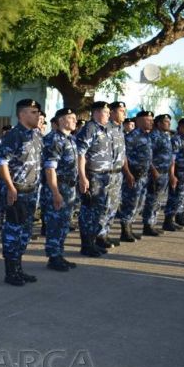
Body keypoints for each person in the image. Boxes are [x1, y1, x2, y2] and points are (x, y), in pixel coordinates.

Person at [0, 99, 43, 286]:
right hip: (17, 191)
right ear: (22, 114)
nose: (38, 115)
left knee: (25, 232)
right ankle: (10, 272)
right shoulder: (13, 136)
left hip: (32, 191)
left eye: (38, 112)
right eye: (33, 112)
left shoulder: (36, 135)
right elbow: (1, 163)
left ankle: (19, 269)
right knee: (13, 231)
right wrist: (10, 186)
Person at [40, 108, 79, 271]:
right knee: (55, 223)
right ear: (62, 120)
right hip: (58, 187)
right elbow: (50, 169)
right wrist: (56, 193)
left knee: (64, 223)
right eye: (71, 118)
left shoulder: (70, 139)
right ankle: (53, 257)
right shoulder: (54, 139)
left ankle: (59, 254)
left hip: (69, 188)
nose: (75, 121)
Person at [76, 101, 115, 257]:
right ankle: (86, 245)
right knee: (89, 211)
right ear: (97, 113)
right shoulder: (90, 129)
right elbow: (80, 155)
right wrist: (82, 177)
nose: (109, 115)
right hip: (93, 176)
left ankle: (92, 242)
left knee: (98, 211)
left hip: (104, 176)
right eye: (106, 112)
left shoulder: (104, 129)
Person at [116, 110, 154, 241]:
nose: (151, 122)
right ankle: (125, 231)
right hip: (133, 176)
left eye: (152, 120)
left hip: (144, 176)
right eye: (148, 120)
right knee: (130, 203)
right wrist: (128, 173)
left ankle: (130, 228)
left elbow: (148, 157)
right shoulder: (132, 137)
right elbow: (124, 157)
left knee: (139, 203)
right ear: (139, 121)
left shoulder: (147, 136)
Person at [98, 101, 130, 250]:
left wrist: (127, 172)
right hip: (106, 174)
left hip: (118, 173)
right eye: (122, 111)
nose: (125, 114)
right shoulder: (105, 128)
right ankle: (99, 235)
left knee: (113, 206)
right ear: (112, 112)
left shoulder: (120, 129)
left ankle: (106, 233)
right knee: (105, 205)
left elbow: (122, 154)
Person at [143, 114, 180, 233]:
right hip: (155, 173)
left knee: (158, 200)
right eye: (165, 121)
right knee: (152, 199)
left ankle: (153, 223)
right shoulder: (154, 136)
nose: (168, 123)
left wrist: (171, 174)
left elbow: (170, 157)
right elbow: (148, 156)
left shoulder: (166, 136)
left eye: (169, 121)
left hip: (165, 173)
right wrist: (153, 171)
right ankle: (148, 225)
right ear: (158, 124)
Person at [165, 118, 184, 228]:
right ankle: (168, 220)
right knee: (175, 197)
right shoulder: (176, 140)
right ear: (181, 127)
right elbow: (172, 160)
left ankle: (180, 217)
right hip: (179, 172)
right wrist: (172, 175)